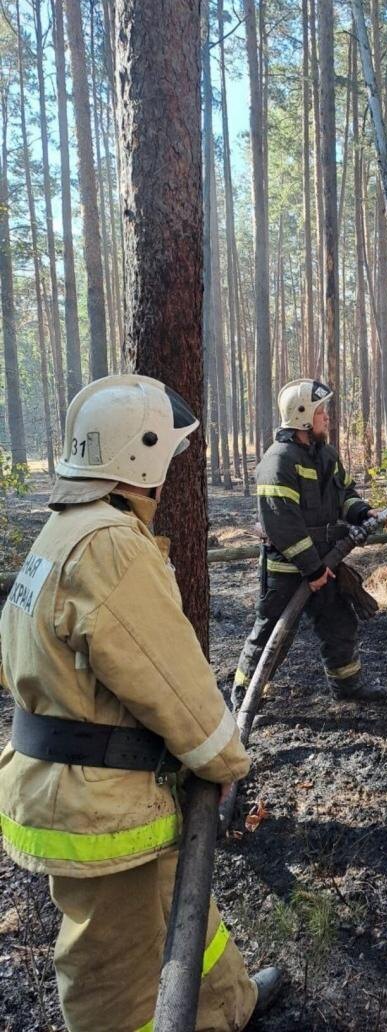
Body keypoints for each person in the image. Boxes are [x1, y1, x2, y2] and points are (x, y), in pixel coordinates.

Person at [0, 374, 282, 1032]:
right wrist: (225, 762)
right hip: (101, 810)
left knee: (183, 912)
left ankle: (227, 1010)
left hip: (94, 790)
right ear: (141, 454)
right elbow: (172, 679)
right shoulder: (111, 546)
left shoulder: (62, 534)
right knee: (115, 974)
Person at [231, 378, 387, 710]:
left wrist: (361, 512)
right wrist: (312, 568)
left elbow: (345, 494)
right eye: (321, 412)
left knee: (339, 624)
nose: (327, 417)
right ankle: (243, 697)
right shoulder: (279, 462)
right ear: (303, 415)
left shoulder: (325, 455)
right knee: (272, 636)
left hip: (325, 562)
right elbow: (282, 523)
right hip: (290, 569)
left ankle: (347, 687)